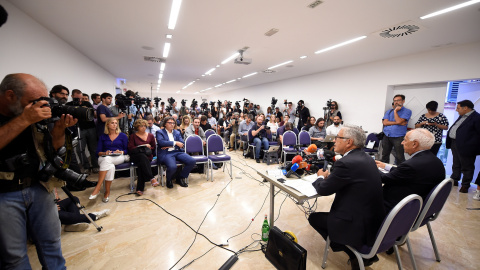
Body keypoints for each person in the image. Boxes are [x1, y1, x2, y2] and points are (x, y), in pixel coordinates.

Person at [0, 73, 77, 269]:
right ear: (10, 95)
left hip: (39, 185)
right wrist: (25, 119)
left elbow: (53, 149)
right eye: (33, 101)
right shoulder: (26, 115)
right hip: (4, 193)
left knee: (52, 244)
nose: (40, 106)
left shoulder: (33, 115)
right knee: (15, 256)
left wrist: (59, 129)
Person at [309, 125, 385, 269]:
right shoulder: (366, 157)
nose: (334, 141)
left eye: (338, 138)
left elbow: (324, 190)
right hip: (372, 218)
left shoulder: (346, 163)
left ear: (349, 142)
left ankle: (353, 253)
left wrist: (320, 177)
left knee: (314, 218)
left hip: (355, 222)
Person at [375, 129, 446, 213]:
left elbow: (384, 178)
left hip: (397, 208)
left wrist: (371, 167)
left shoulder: (411, 165)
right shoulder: (435, 161)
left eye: (405, 140)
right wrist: (385, 166)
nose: (402, 143)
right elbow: (405, 173)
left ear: (414, 144)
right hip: (419, 206)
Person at [90, 118, 129, 203]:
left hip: (119, 157)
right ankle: (107, 192)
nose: (115, 125)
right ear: (107, 124)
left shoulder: (123, 135)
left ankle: (98, 187)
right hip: (104, 157)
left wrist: (121, 151)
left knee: (107, 161)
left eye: (116, 123)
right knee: (110, 166)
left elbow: (127, 150)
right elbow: (98, 153)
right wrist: (105, 153)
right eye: (112, 123)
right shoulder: (103, 137)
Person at [446, 99, 480, 195]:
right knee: (456, 163)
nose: (457, 110)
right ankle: (454, 180)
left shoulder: (477, 118)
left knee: (467, 166)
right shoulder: (462, 116)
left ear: (465, 108)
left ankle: (465, 185)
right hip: (454, 143)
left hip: (467, 146)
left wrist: (473, 145)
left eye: (458, 108)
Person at [156, 116, 196, 189]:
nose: (172, 124)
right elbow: (161, 143)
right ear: (165, 124)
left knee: (192, 161)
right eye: (170, 123)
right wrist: (175, 143)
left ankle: (180, 178)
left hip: (177, 152)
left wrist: (170, 145)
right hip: (166, 153)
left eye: (173, 123)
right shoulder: (160, 132)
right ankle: (169, 180)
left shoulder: (177, 132)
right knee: (172, 167)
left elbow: (182, 143)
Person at [66, 89, 99, 173]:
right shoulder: (68, 105)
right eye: (77, 98)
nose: (80, 100)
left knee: (93, 148)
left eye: (81, 98)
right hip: (78, 129)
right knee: (79, 149)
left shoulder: (87, 104)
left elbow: (94, 116)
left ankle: (95, 166)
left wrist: (89, 111)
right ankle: (86, 166)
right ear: (72, 96)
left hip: (91, 128)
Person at [128, 119, 158, 196]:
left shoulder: (150, 135)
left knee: (142, 163)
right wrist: (141, 147)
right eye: (141, 126)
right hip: (136, 156)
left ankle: (140, 188)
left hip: (147, 156)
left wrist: (148, 148)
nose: (143, 127)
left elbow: (153, 147)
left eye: (145, 126)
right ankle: (151, 177)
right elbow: (131, 148)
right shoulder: (133, 136)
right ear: (137, 127)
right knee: (141, 157)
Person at [381, 94, 412, 165]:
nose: (396, 102)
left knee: (399, 156)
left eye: (398, 100)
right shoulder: (389, 111)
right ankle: (383, 171)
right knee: (384, 155)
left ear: (403, 101)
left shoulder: (407, 111)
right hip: (387, 135)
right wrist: (398, 123)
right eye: (395, 101)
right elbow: (385, 123)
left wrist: (395, 112)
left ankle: (401, 171)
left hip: (398, 136)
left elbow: (399, 121)